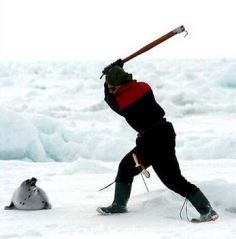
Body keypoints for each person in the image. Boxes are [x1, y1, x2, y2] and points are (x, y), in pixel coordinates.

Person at [97, 61, 219, 222]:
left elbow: (109, 99)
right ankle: (119, 205)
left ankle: (207, 210)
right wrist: (118, 70)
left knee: (171, 179)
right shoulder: (143, 87)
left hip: (152, 140)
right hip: (163, 132)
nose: (111, 90)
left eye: (113, 87)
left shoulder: (123, 101)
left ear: (120, 84)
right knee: (129, 167)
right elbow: (120, 90)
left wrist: (107, 79)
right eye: (110, 87)